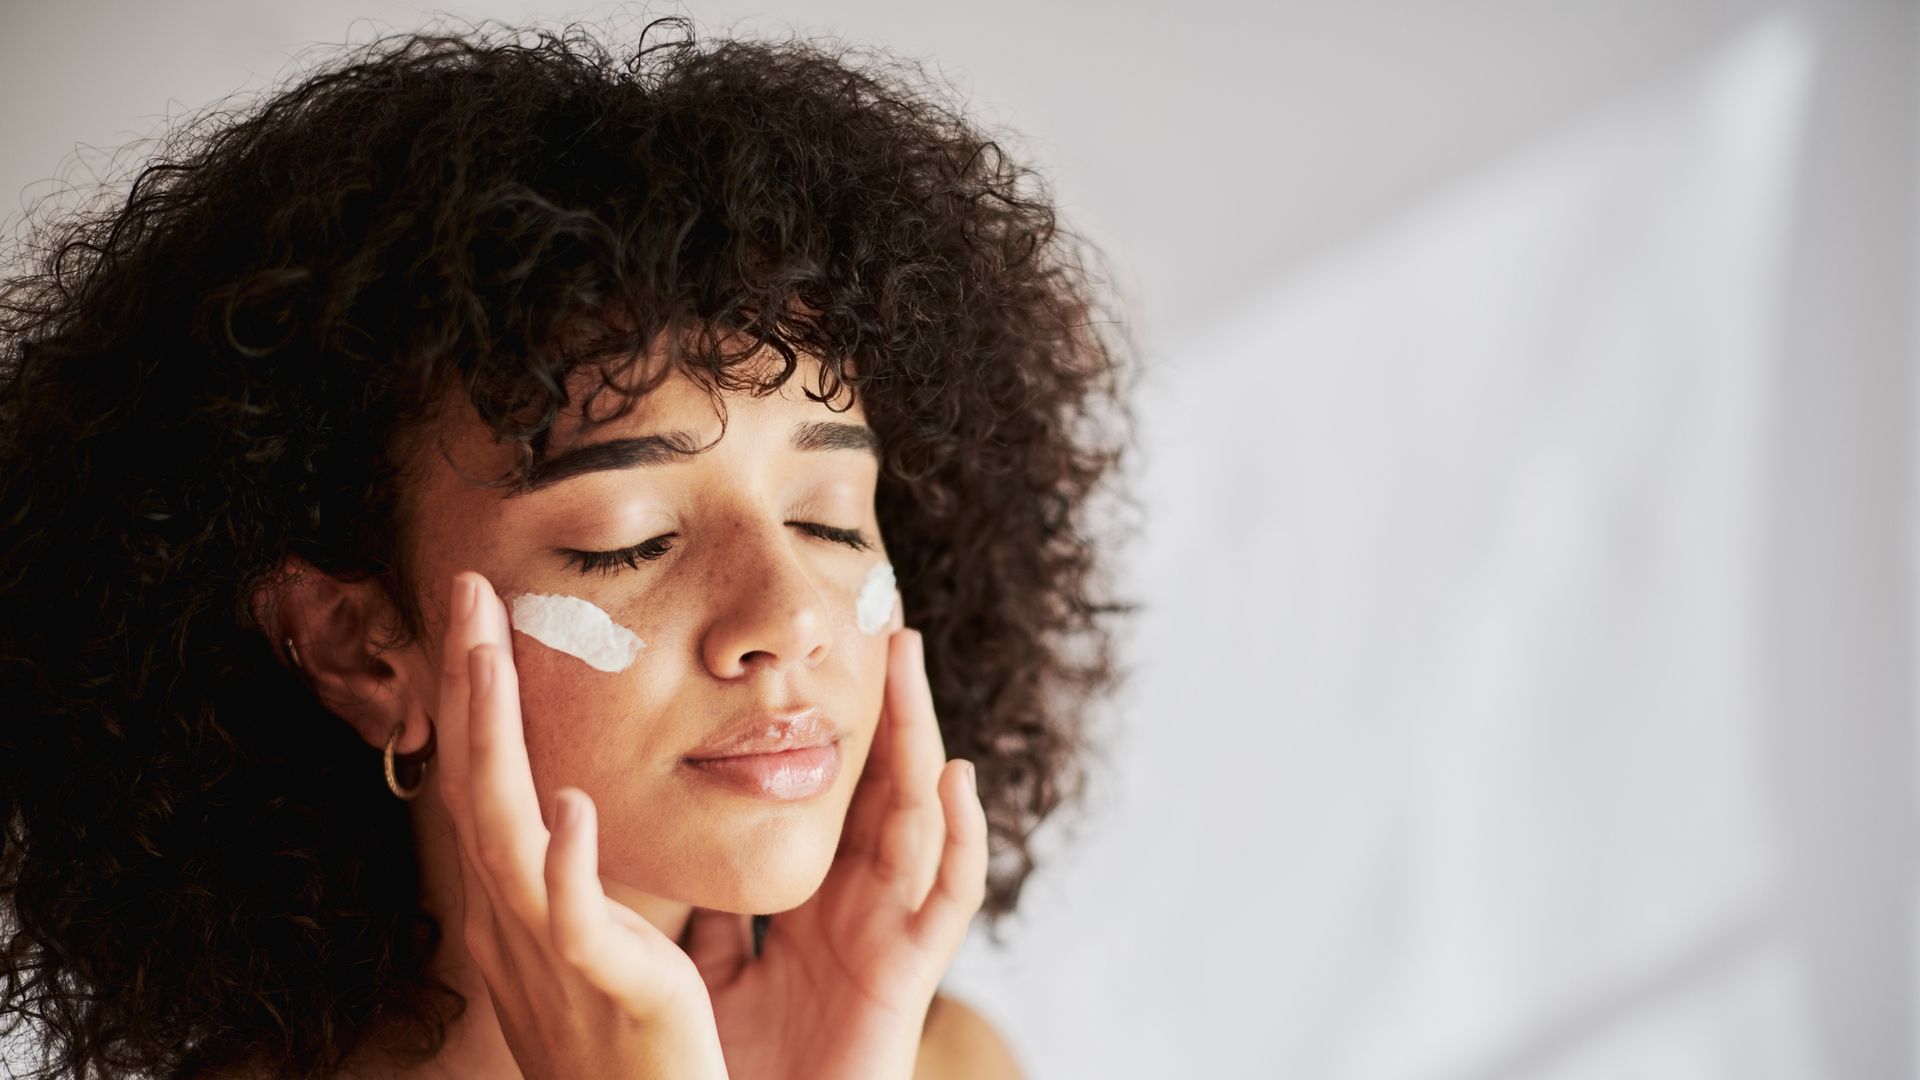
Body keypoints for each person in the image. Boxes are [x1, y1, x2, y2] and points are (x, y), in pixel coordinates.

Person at [0, 14, 1135, 1080]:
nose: (792, 616)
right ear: (360, 649)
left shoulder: (933, 1057)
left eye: (830, 518)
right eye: (628, 543)